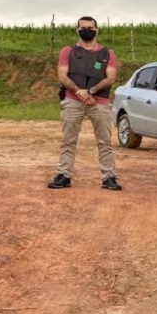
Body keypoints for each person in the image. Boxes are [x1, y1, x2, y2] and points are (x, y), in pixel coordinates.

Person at [48, 16, 122, 191]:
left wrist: (91, 91)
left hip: (100, 101)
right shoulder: (68, 51)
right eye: (83, 27)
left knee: (105, 142)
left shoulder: (107, 53)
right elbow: (62, 75)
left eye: (90, 27)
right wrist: (80, 92)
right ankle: (64, 175)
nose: (87, 30)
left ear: (97, 30)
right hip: (73, 100)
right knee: (68, 140)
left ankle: (109, 177)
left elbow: (110, 77)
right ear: (77, 29)